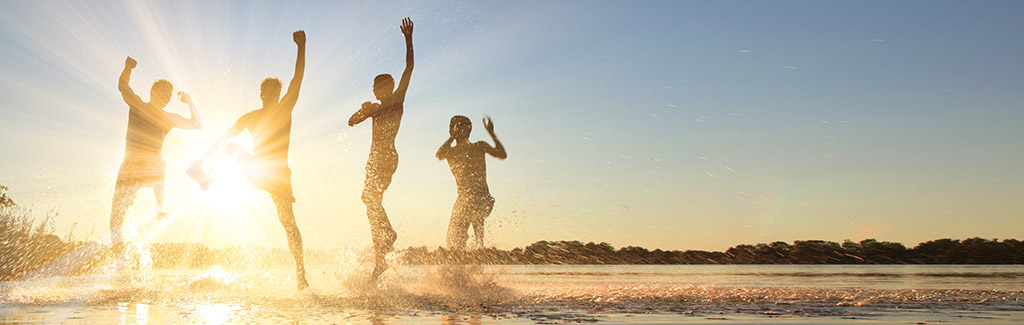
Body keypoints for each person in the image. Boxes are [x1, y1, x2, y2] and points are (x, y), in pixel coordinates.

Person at [188, 30, 308, 290]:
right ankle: (207, 177)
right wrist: (201, 160)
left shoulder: (285, 107)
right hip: (258, 171)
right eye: (265, 92)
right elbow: (222, 139)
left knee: (289, 224)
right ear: (260, 94)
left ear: (278, 94)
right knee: (230, 148)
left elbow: (298, 79)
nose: (268, 96)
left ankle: (301, 273)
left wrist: (302, 47)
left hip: (278, 176)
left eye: (273, 92)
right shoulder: (251, 117)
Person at [110, 56, 202, 246]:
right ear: (152, 92)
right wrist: (127, 68)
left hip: (143, 168)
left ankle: (159, 205)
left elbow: (197, 124)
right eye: (163, 94)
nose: (166, 99)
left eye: (168, 97)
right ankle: (120, 258)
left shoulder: (166, 117)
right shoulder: (139, 106)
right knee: (116, 219)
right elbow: (123, 87)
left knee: (159, 162)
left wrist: (190, 101)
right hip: (131, 167)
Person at [348, 17, 414, 279]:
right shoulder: (374, 108)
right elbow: (350, 122)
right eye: (374, 87)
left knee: (371, 201)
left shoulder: (397, 99)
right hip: (374, 159)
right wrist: (362, 111)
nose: (376, 90)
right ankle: (380, 258)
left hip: (387, 157)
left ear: (389, 86)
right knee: (370, 202)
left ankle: (388, 237)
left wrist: (408, 39)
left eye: (380, 86)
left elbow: (409, 67)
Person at [435, 115, 507, 249]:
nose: (456, 130)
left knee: (472, 205)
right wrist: (451, 137)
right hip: (463, 200)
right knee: (453, 240)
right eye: (453, 128)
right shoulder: (450, 152)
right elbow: (439, 155)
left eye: (459, 127)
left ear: (467, 130)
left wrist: (492, 133)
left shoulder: (479, 146)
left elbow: (502, 154)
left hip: (483, 199)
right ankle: (463, 261)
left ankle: (479, 245)